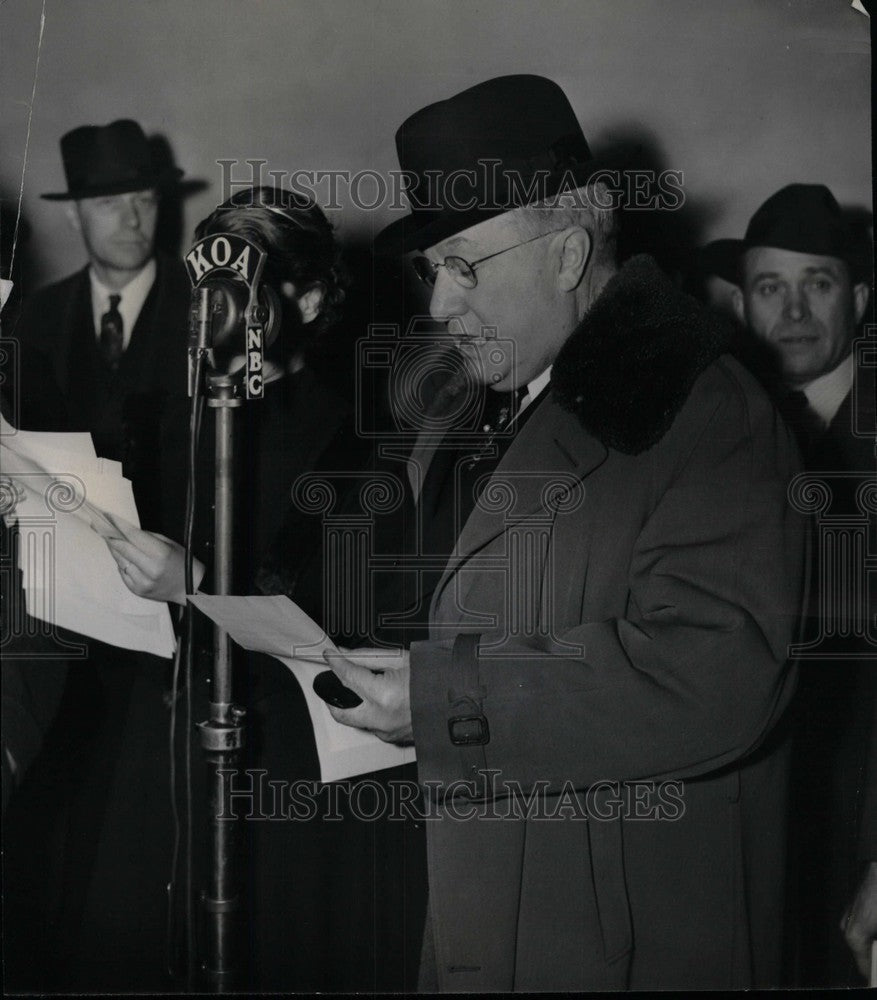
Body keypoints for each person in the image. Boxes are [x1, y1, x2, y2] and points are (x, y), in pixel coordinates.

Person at [313, 74, 806, 990]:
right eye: (432, 271)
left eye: (465, 267)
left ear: (569, 251)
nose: (437, 307)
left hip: (621, 943)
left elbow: (718, 674)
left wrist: (443, 699)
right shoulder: (477, 404)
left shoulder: (707, 412)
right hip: (499, 905)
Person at [725, 182, 875, 985]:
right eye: (767, 288)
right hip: (748, 812)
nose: (791, 311)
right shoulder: (717, 432)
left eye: (815, 284)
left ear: (856, 298)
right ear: (740, 306)